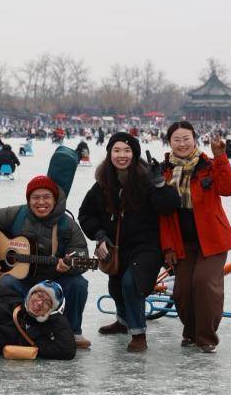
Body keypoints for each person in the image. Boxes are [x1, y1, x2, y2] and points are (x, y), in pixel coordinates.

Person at [78, 133, 180, 352]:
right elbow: (86, 214)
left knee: (130, 283)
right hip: (117, 245)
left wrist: (160, 184)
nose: (121, 155)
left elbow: (170, 206)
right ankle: (123, 321)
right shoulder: (103, 182)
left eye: (127, 150)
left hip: (147, 246)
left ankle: (138, 333)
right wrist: (99, 235)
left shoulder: (146, 179)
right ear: (109, 154)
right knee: (115, 286)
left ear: (134, 154)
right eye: (116, 150)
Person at [0, 175, 91, 349]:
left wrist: (67, 267)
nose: (41, 202)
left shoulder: (68, 224)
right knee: (5, 283)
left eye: (46, 197)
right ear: (29, 200)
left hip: (54, 281)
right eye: (35, 197)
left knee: (78, 284)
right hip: (23, 279)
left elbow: (82, 255)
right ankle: (11, 328)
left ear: (55, 200)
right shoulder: (17, 214)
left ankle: (72, 331)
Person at [158, 121, 231, 353]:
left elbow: (229, 189)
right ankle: (191, 332)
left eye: (186, 139)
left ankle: (206, 337)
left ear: (194, 139)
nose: (182, 144)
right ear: (169, 142)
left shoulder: (209, 166)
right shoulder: (163, 172)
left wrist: (220, 157)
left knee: (204, 283)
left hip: (213, 240)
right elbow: (162, 216)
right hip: (182, 242)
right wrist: (167, 248)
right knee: (182, 291)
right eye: (177, 140)